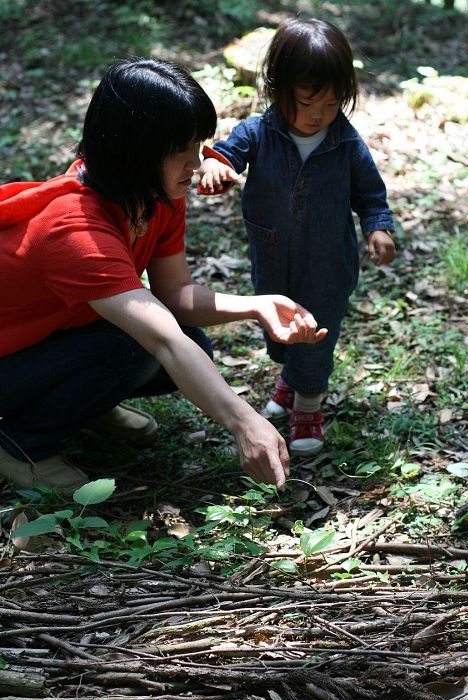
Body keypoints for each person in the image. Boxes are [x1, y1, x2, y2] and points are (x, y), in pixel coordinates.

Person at [0, 58, 328, 495]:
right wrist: (244, 420)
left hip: (43, 342)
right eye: (182, 150)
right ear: (136, 150)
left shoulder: (153, 193)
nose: (198, 163)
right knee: (136, 347)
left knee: (183, 343)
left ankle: (81, 408)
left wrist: (256, 304)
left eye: (199, 145)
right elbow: (162, 338)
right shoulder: (74, 228)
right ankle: (21, 441)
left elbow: (174, 294)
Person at [198, 17, 396, 456]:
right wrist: (215, 165)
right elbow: (227, 152)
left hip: (327, 262)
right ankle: (290, 378)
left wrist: (378, 227)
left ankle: (308, 404)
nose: (318, 115)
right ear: (279, 88)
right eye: (308, 102)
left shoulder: (345, 142)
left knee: (315, 330)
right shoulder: (259, 131)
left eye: (331, 104)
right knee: (281, 328)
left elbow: (370, 193)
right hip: (272, 258)